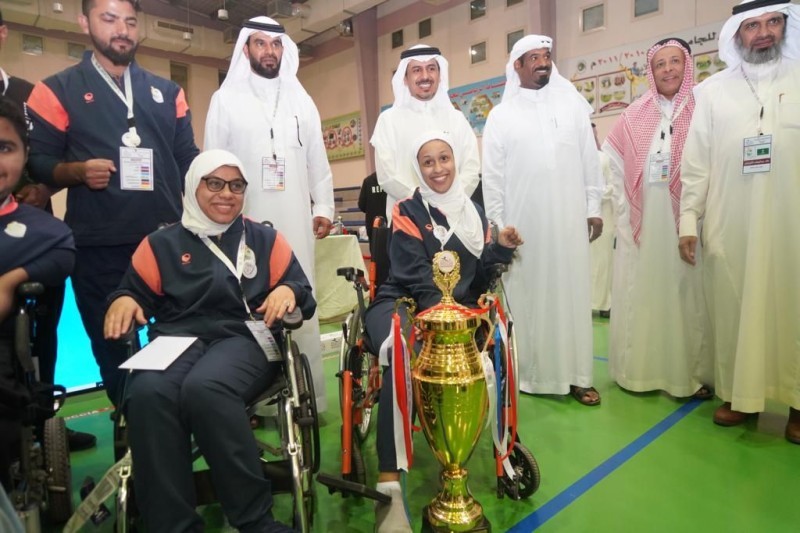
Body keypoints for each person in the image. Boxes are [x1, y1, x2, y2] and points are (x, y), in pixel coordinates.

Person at [104, 149, 314, 532]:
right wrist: (124, 299)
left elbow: (302, 291)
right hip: (176, 339)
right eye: (214, 183)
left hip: (243, 337)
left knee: (206, 387)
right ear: (192, 187)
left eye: (236, 185)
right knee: (148, 393)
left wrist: (288, 290)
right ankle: (172, 525)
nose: (226, 193)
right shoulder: (160, 244)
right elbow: (131, 289)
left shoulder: (265, 239)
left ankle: (254, 519)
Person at [25, 0, 199, 407]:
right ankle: (132, 424)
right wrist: (76, 171)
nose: (122, 29)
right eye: (109, 19)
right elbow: (37, 161)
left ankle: (178, 418)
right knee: (115, 350)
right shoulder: (55, 89)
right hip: (98, 246)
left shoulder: (169, 92)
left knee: (181, 339)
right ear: (84, 22)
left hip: (167, 243)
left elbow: (187, 159)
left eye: (130, 21)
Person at [364, 131, 522, 532]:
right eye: (428, 161)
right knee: (399, 352)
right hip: (404, 303)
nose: (438, 168)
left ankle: (495, 449)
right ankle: (389, 484)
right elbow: (414, 274)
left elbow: (480, 278)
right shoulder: (407, 210)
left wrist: (500, 249)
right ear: (418, 168)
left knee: (499, 341)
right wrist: (444, 321)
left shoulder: (474, 215)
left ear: (457, 162)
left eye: (444, 158)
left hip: (458, 312)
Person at [678, 0, 800, 442]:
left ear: (785, 25)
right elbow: (696, 163)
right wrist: (688, 220)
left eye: (773, 22)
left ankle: (797, 402)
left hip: (791, 222)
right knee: (732, 305)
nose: (763, 33)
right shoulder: (711, 92)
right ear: (736, 34)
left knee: (794, 308)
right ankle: (738, 395)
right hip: (730, 221)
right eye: (752, 26)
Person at [205, 16, 333, 411]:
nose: (269, 51)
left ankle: (307, 397)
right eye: (260, 43)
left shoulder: (301, 100)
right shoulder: (225, 100)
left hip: (295, 217)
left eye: (276, 44)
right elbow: (212, 160)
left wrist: (323, 205)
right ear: (246, 49)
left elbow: (317, 158)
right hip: (243, 221)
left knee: (299, 294)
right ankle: (252, 399)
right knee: (249, 302)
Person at [482, 35, 604, 406]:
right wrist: (497, 223)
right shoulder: (501, 116)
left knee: (571, 296)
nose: (542, 62)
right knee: (530, 298)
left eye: (546, 56)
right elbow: (493, 176)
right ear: (517, 66)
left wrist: (594, 206)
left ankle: (578, 376)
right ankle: (530, 375)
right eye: (533, 57)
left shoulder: (572, 107)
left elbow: (589, 160)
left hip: (569, 222)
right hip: (524, 227)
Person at [1, 10, 94, 449]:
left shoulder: (29, 94)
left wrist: (42, 185)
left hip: (32, 233)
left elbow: (51, 156)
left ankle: (39, 423)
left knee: (42, 335)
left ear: (3, 32)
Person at [602, 38, 713, 399]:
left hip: (690, 223)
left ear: (687, 65)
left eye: (674, 62)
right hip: (644, 225)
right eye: (660, 64)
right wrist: (624, 213)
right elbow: (612, 162)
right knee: (643, 295)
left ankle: (688, 376)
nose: (668, 70)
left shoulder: (703, 108)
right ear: (651, 71)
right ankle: (640, 373)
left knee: (687, 296)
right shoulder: (635, 114)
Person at [0, 96, 75, 489]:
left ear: (25, 156)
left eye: (5, 148)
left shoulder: (44, 230)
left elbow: (63, 255)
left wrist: (10, 281)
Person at [371, 44, 481, 224]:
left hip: (455, 217)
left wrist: (450, 201)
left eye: (431, 68)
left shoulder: (456, 118)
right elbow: (387, 176)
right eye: (416, 70)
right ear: (405, 78)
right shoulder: (388, 120)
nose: (425, 76)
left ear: (439, 74)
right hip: (408, 220)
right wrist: (422, 204)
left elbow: (471, 168)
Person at [591, 123, 613, 318]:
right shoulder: (575, 162)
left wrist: (594, 195)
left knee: (604, 262)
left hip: (604, 216)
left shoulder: (605, 158)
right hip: (582, 219)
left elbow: (613, 186)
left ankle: (605, 304)